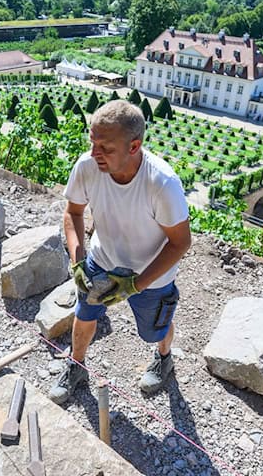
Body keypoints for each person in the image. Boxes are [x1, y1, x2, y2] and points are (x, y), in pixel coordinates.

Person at [50, 100, 191, 404]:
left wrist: (134, 285)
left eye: (105, 147)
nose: (94, 153)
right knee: (85, 312)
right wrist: (78, 262)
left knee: (157, 330)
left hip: (152, 276)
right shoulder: (88, 167)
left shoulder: (161, 183)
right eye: (92, 142)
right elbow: (73, 213)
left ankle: (164, 357)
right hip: (101, 260)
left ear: (134, 146)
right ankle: (76, 364)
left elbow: (180, 243)